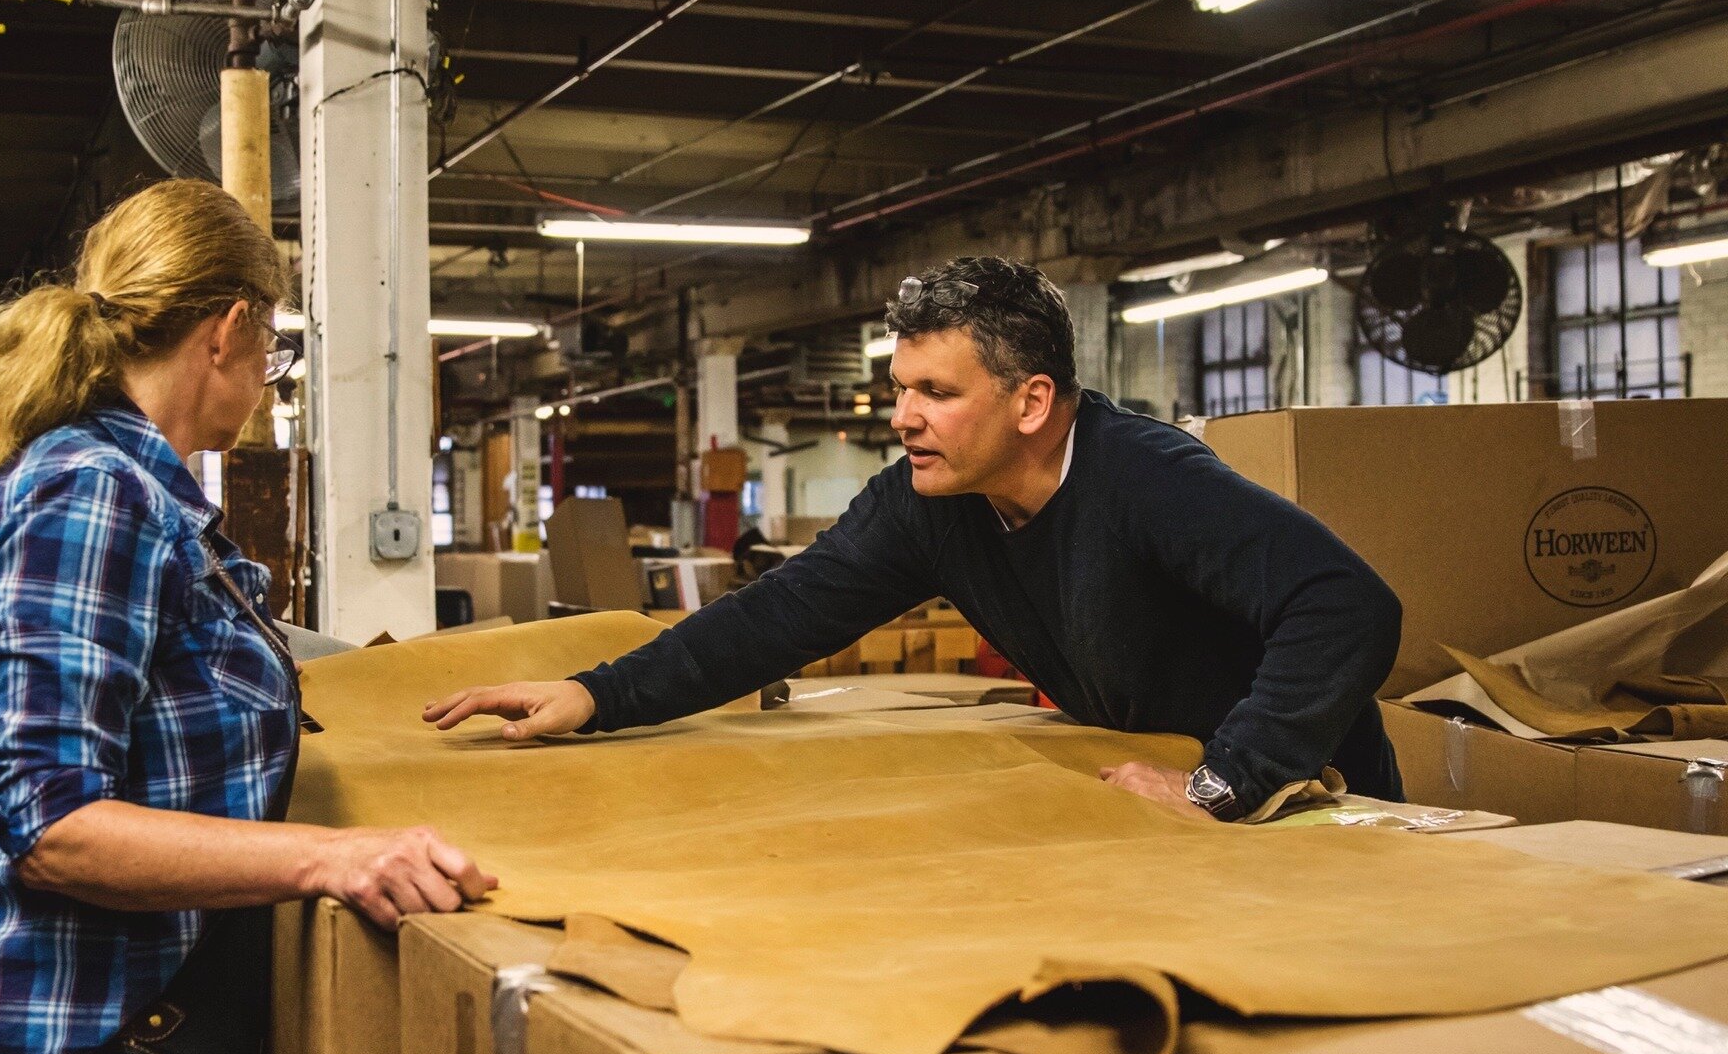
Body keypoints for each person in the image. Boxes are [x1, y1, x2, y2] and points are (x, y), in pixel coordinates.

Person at [0, 179, 494, 1054]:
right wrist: (330, 857)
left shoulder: (143, 495)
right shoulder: (92, 492)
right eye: (268, 346)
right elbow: (53, 825)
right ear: (226, 330)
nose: (265, 379)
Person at [424, 255, 1403, 824]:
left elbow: (1344, 607)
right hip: (1156, 791)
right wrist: (597, 694)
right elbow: (779, 614)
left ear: (1029, 402)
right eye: (899, 389)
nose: (900, 417)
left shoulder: (1145, 481)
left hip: (1304, 799)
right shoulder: (923, 506)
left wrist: (1220, 781)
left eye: (933, 392)